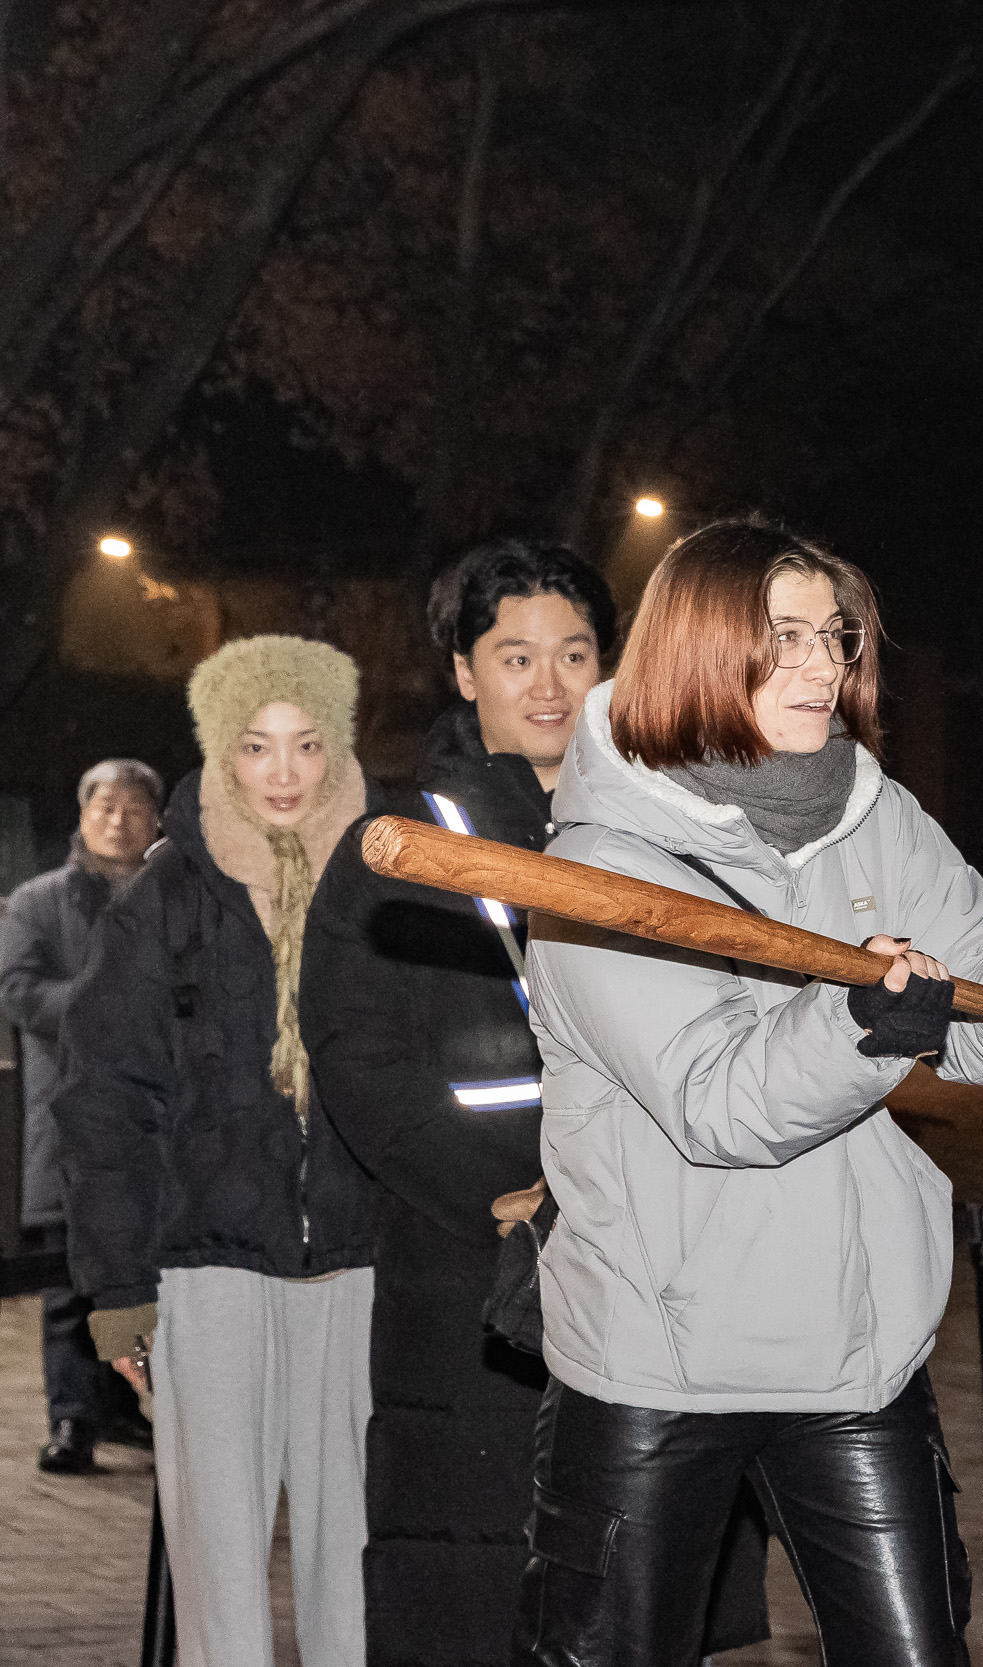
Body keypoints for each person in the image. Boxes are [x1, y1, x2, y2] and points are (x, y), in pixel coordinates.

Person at [516, 517, 983, 1664]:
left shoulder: (872, 815)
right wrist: (862, 1023)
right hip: (656, 1355)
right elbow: (717, 1102)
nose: (824, 664)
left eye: (834, 636)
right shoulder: (595, 870)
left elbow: (974, 993)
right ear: (697, 647)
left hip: (849, 1344)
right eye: (783, 637)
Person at [300, 541, 766, 1666]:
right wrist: (504, 1194)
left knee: (646, 1590)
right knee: (474, 1590)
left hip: (658, 1258)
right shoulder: (402, 843)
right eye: (515, 655)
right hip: (477, 1268)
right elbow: (360, 1057)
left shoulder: (671, 828)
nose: (548, 682)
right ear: (465, 671)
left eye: (573, 652)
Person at [57, 637, 381, 1667]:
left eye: (306, 742)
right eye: (255, 744)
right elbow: (105, 1098)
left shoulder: (387, 884)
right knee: (219, 1564)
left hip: (364, 1265)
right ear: (221, 752)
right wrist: (117, 1285)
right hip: (207, 1270)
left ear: (339, 749)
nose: (282, 770)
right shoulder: (162, 898)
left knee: (362, 1563)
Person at [0, 758, 162, 1473]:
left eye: (133, 807)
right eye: (105, 806)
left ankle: (128, 1409)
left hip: (154, 1121)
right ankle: (72, 1419)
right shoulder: (37, 901)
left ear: (156, 819)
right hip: (67, 1116)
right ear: (82, 813)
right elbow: (19, 991)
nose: (118, 819)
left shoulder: (177, 894)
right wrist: (103, 1006)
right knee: (70, 1274)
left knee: (137, 1267)